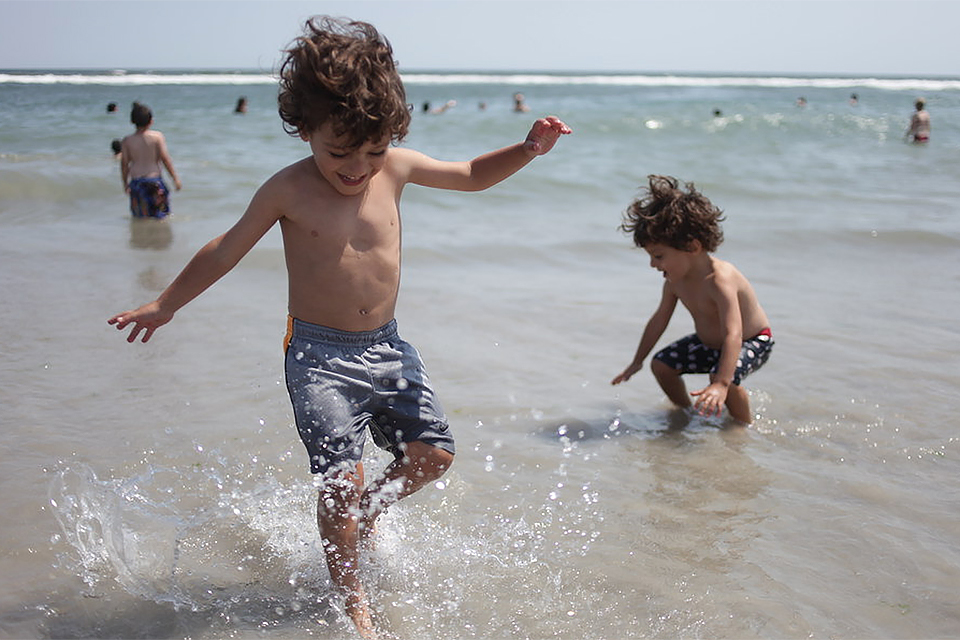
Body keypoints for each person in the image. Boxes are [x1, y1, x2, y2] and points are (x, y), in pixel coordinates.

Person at [107, 16, 570, 639]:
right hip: (319, 358)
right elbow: (224, 250)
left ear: (391, 136)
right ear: (306, 131)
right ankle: (353, 598)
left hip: (388, 346)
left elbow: (469, 175)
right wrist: (165, 305)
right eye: (339, 152)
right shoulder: (287, 189)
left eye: (372, 150)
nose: (357, 167)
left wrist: (528, 148)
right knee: (338, 483)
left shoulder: (396, 168)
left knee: (433, 456)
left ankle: (367, 515)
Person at [611, 175, 773, 425]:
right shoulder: (674, 282)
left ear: (692, 247)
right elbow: (658, 321)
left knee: (722, 377)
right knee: (662, 366)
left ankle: (742, 427)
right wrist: (637, 362)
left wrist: (720, 382)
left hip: (752, 340)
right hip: (710, 344)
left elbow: (733, 334)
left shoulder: (720, 279)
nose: (652, 264)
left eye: (658, 255)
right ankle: (688, 412)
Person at [120, 102, 182, 218]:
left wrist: (125, 183)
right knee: (161, 216)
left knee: (140, 216)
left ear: (132, 121)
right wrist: (175, 179)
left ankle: (141, 236)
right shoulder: (157, 137)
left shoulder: (127, 140)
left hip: (137, 183)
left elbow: (124, 164)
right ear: (151, 121)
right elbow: (165, 159)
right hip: (155, 182)